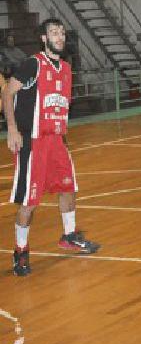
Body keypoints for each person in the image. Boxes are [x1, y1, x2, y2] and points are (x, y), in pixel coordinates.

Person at [3, 18, 101, 277]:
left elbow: (60, 108)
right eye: (53, 33)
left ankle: (69, 235)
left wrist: (64, 139)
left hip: (57, 140)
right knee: (29, 202)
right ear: (44, 38)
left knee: (69, 188)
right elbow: (7, 93)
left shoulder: (66, 69)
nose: (59, 37)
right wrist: (12, 130)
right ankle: (20, 251)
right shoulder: (33, 64)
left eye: (62, 33)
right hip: (33, 142)